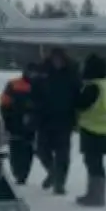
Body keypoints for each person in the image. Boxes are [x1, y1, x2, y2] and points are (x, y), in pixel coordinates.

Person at [32, 46, 81, 194]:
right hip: (45, 117)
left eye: (60, 59)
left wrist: (76, 116)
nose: (57, 62)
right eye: (55, 59)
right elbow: (35, 91)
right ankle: (52, 172)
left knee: (62, 153)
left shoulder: (72, 73)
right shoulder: (43, 71)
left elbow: (78, 94)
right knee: (41, 150)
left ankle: (60, 183)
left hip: (65, 118)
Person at [72, 53, 106, 206]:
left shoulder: (93, 86)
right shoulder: (105, 84)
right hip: (105, 129)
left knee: (93, 162)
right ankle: (95, 194)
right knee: (96, 162)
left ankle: (96, 196)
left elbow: (82, 103)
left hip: (92, 129)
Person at [0, 62, 43, 184]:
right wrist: (7, 118)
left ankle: (23, 174)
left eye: (35, 72)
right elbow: (4, 102)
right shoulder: (13, 84)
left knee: (27, 150)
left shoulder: (40, 86)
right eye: (31, 72)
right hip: (14, 121)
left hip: (31, 123)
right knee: (15, 149)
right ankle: (18, 173)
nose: (33, 75)